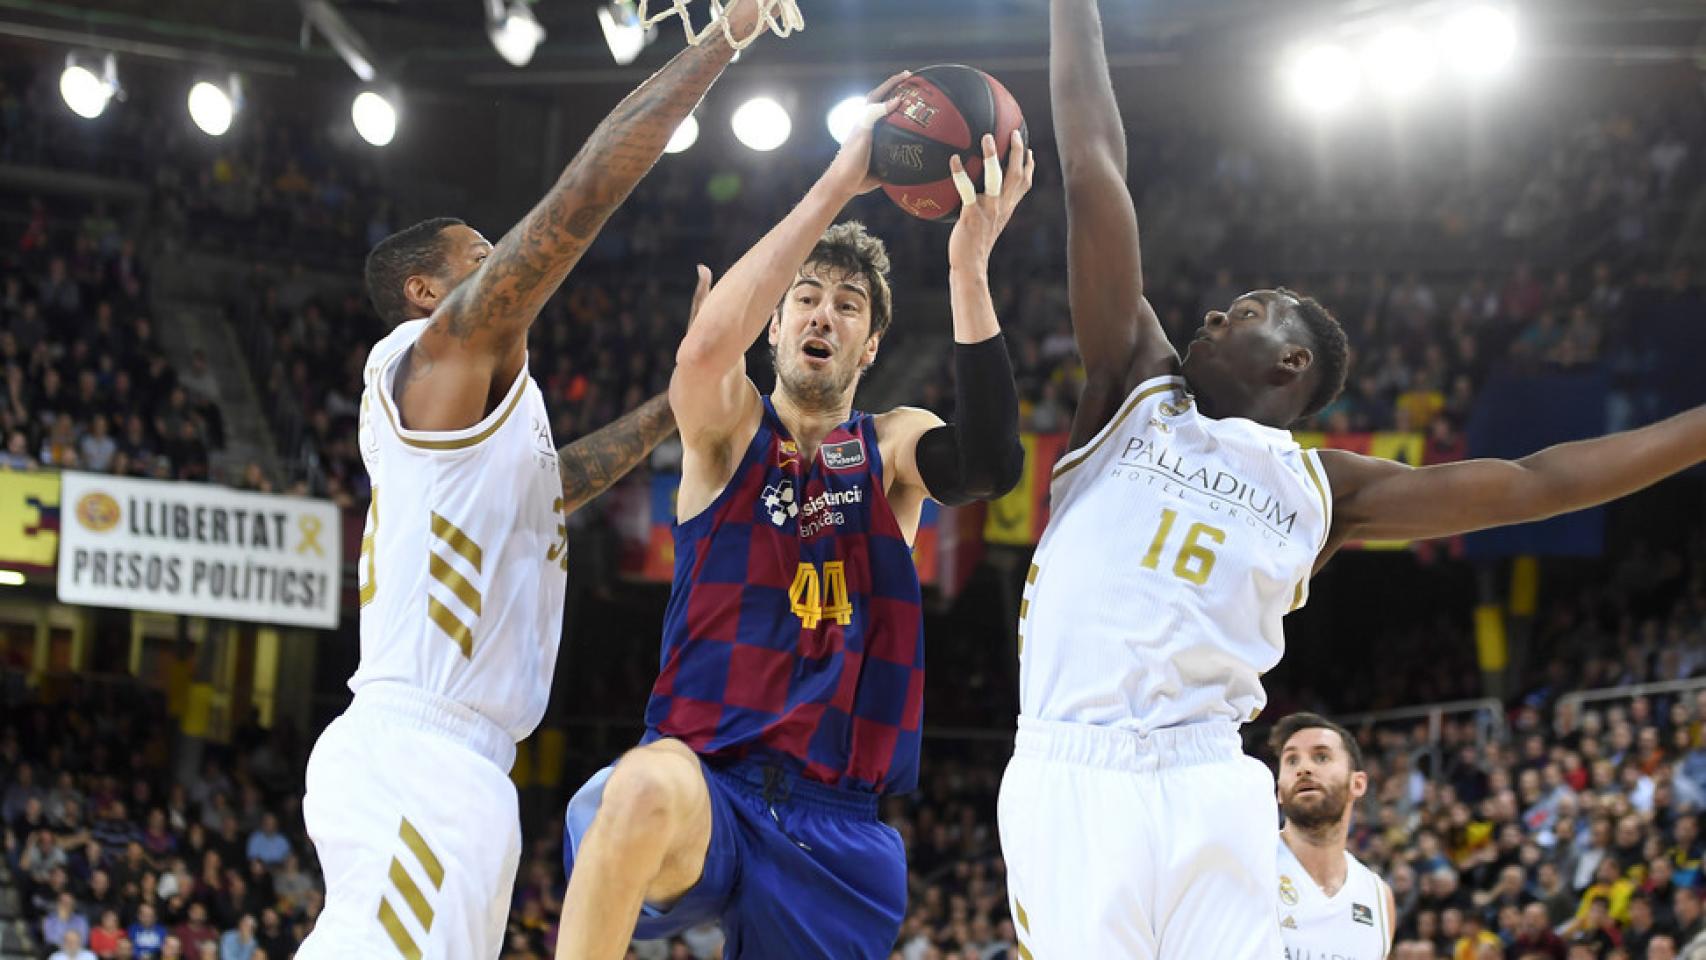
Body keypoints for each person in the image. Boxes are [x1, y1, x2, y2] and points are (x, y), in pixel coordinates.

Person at [1001, 0, 1706, 955]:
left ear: (1292, 365)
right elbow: (1095, 172)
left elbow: (1541, 480)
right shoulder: (1136, 383)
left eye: (1244, 312)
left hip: (1210, 773)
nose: (1211, 314)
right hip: (1073, 767)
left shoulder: (1327, 488)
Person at [295, 1, 772, 956]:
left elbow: (550, 492)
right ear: (430, 292)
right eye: (482, 255)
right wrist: (719, 43)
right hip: (416, 751)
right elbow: (578, 200)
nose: (503, 259)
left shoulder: (477, 421)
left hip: (467, 767)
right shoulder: (434, 358)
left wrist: (685, 388)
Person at [554, 78, 1033, 958]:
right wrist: (838, 184)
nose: (824, 313)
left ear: (871, 344)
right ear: (774, 327)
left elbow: (992, 465)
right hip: (706, 780)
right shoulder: (725, 432)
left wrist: (968, 266)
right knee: (636, 792)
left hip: (835, 824)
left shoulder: (892, 450)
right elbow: (702, 351)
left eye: (849, 306)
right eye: (807, 296)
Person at [1270, 713, 1396, 960]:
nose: (1304, 768)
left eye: (1321, 757)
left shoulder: (1379, 897)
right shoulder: (1248, 864)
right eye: (1292, 760)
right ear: (1279, 792)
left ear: (1357, 784)